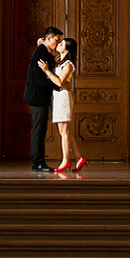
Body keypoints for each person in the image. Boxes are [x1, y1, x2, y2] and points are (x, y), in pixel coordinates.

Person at [40, 37, 86, 174]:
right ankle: (79, 158)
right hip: (58, 97)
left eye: (61, 44)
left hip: (63, 98)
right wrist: (42, 44)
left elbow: (59, 82)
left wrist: (47, 71)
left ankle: (66, 160)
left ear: (67, 49)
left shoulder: (69, 64)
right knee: (63, 131)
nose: (58, 45)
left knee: (64, 132)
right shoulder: (60, 62)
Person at [22, 27, 62, 174]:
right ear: (49, 38)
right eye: (56, 40)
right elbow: (39, 78)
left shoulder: (43, 50)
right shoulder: (41, 51)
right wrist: (58, 86)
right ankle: (38, 162)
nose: (57, 44)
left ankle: (39, 161)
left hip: (39, 96)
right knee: (38, 130)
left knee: (40, 130)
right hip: (38, 96)